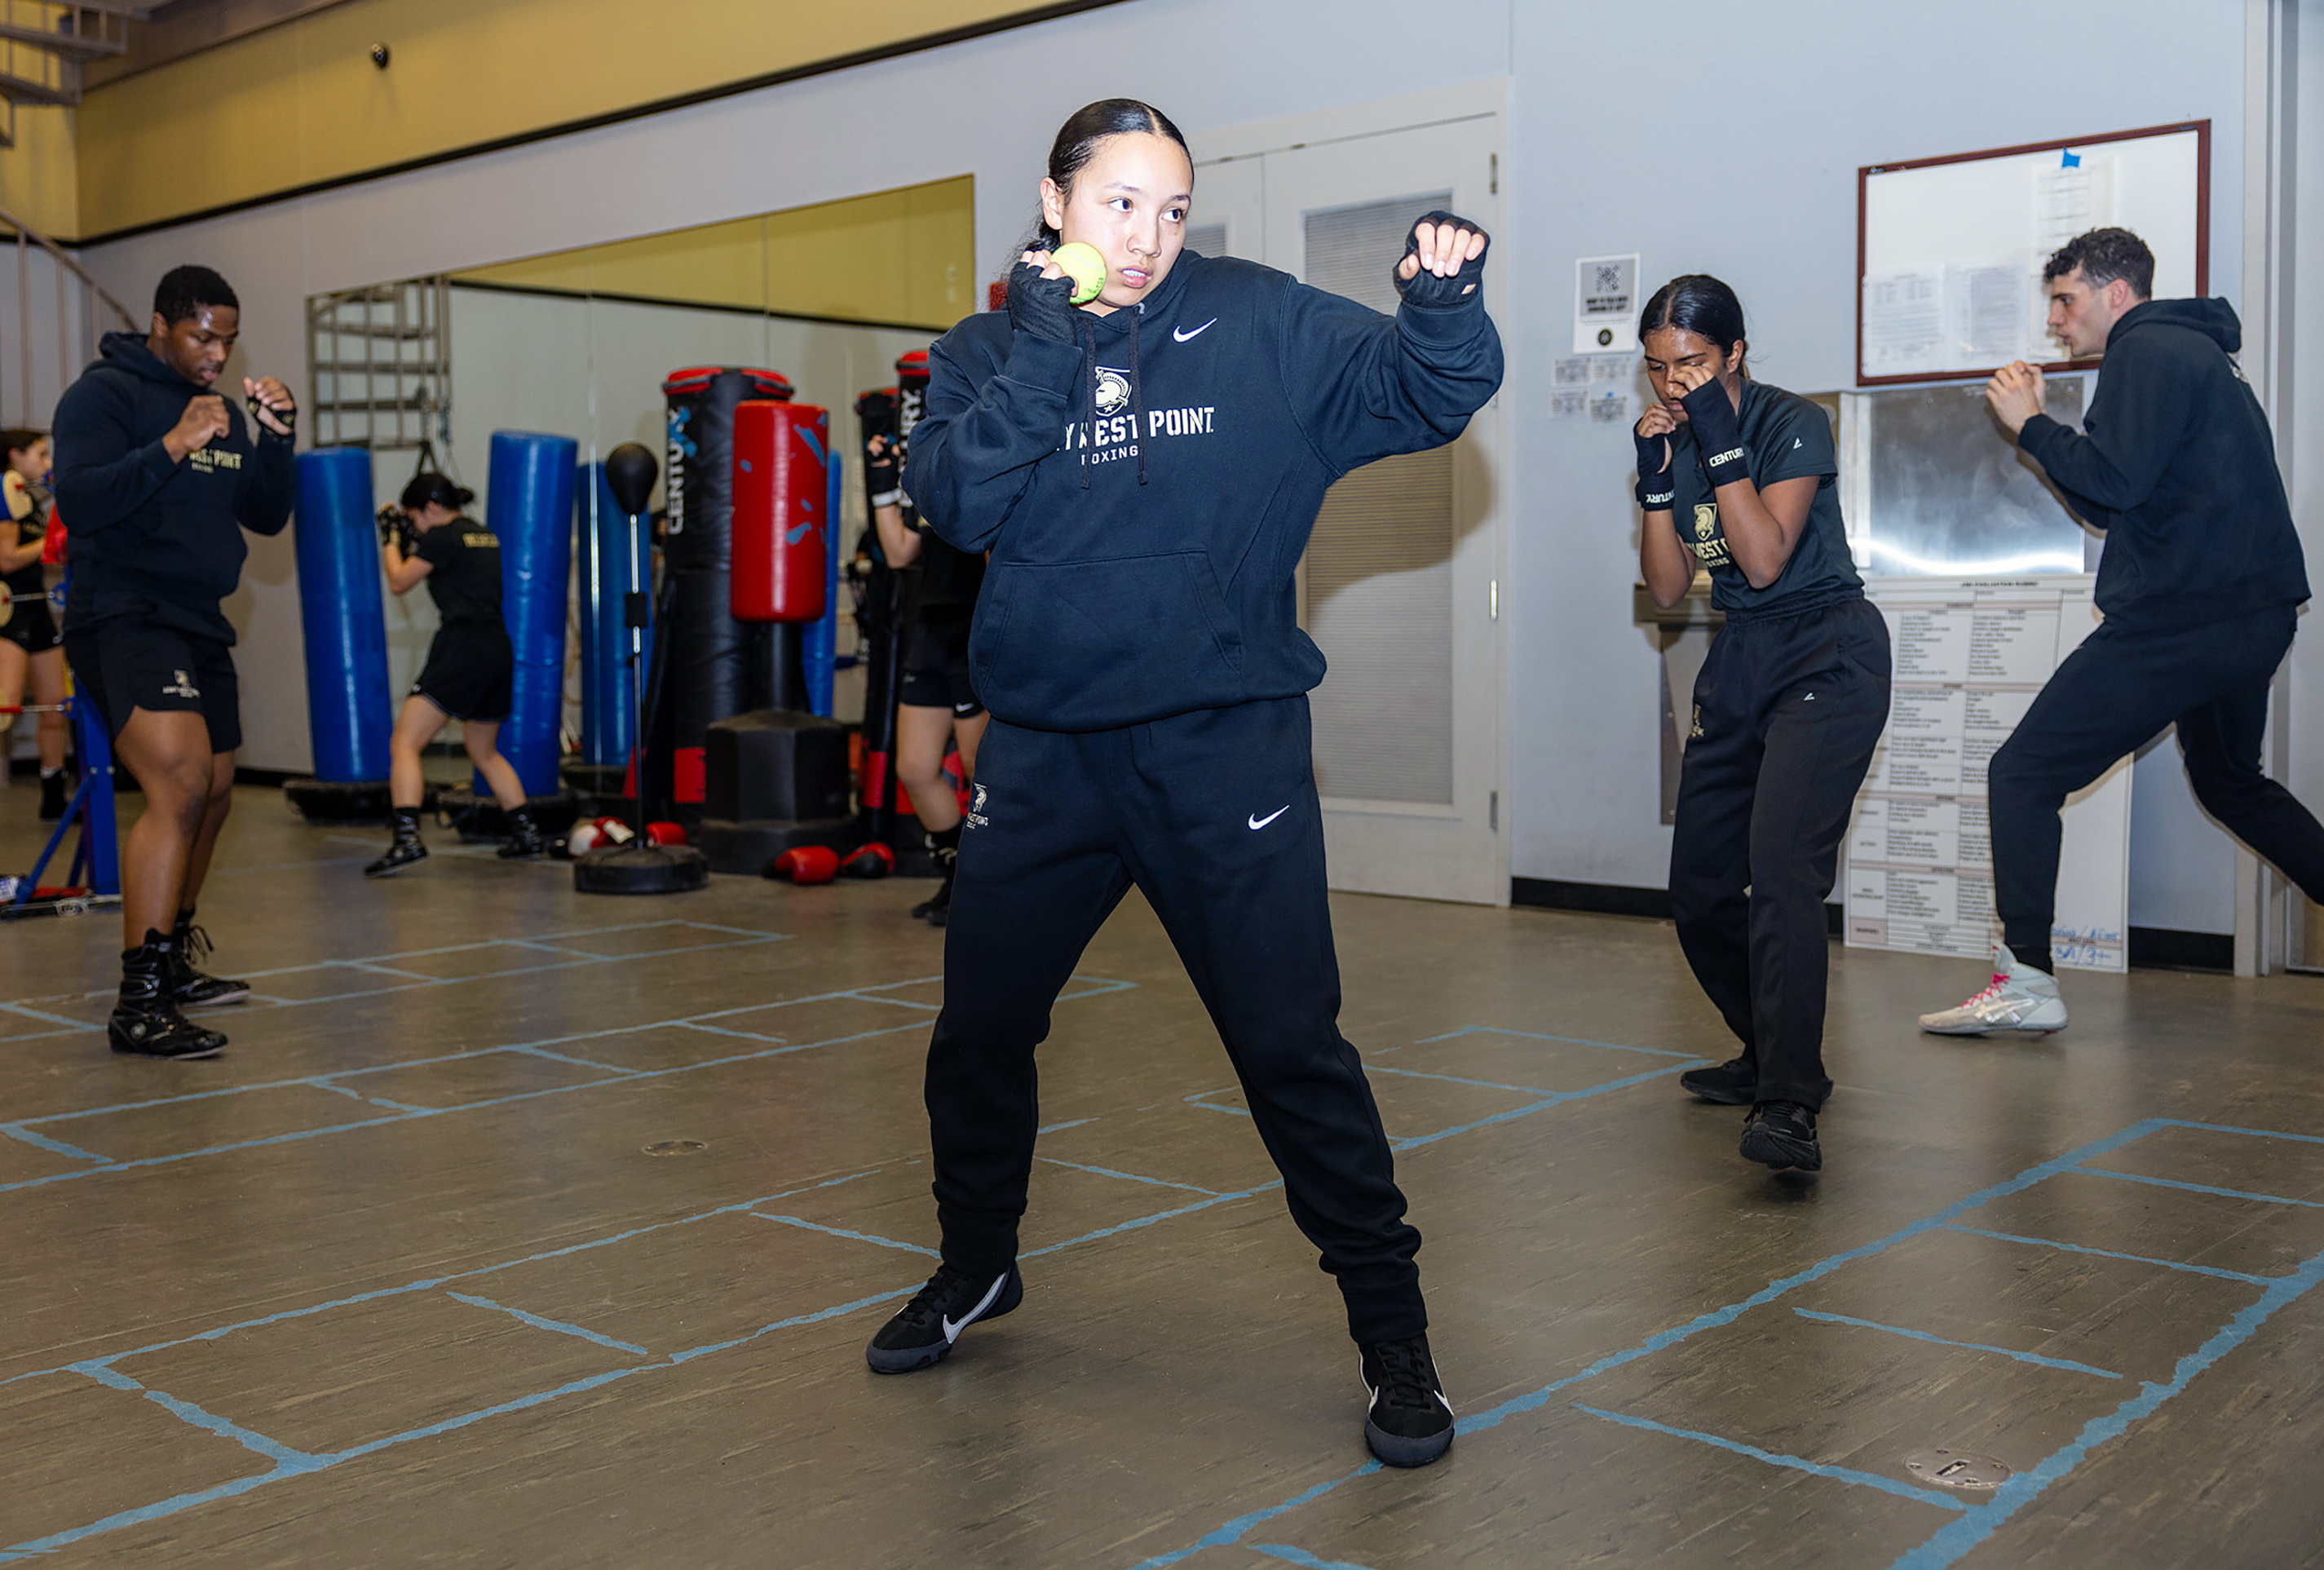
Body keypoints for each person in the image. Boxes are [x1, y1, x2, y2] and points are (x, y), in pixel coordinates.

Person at [866, 98, 1500, 1470]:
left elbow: (1425, 391)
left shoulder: (1261, 321)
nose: (1147, 238)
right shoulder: (987, 350)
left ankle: (1394, 1340)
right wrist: (1051, 340)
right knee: (978, 1035)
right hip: (1043, 757)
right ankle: (978, 1264)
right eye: (1117, 205)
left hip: (1226, 751)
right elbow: (958, 508)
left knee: (1289, 1050)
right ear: (1054, 204)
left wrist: (1442, 307)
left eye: (1169, 208)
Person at [1920, 228, 2324, 1035]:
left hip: (2185, 616)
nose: (2058, 323)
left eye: (2065, 302)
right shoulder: (2196, 354)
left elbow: (2112, 479)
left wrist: (2031, 423)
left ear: (2116, 293)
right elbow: (2112, 504)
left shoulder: (2143, 351)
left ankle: (2026, 982)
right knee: (2230, 783)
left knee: (2023, 773)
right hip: (2251, 616)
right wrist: (2038, 436)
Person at [1635, 275, 1892, 1174]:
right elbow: (1669, 590)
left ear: (1735, 353)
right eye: (1660, 367)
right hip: (1743, 656)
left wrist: (1715, 439)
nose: (1675, 383)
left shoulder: (1790, 423)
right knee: (1701, 887)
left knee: (1781, 873)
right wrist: (1657, 487)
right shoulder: (1678, 429)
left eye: (1694, 363)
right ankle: (1767, 1047)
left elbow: (1765, 557)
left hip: (1828, 653)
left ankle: (1789, 1099)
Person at [51, 263, 295, 1061]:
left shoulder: (222, 407)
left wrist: (275, 440)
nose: (217, 354)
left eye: (227, 338)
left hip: (199, 617)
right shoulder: (103, 395)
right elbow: (80, 501)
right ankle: (139, 1000)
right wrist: (170, 443)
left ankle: (176, 961)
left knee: (219, 788)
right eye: (202, 336)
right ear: (162, 324)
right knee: (182, 778)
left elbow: (263, 514)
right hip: (124, 609)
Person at [365, 473, 546, 875]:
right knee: (484, 750)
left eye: (415, 516)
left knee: (405, 742)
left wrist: (391, 539)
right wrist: (410, 538)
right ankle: (527, 832)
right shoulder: (484, 535)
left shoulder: (441, 537)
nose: (414, 526)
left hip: (462, 646)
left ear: (430, 508)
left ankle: (407, 839)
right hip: (497, 647)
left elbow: (398, 581)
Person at [864, 429, 985, 924]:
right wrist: (881, 485)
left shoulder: (988, 466)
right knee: (915, 769)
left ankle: (988, 889)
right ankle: (957, 879)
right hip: (931, 632)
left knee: (983, 771)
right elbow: (897, 553)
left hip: (974, 629)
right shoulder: (932, 478)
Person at [2, 430, 71, 820]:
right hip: (9, 611)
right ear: (15, 456)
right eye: (40, 455)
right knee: (6, 707)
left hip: (38, 606)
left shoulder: (31, 502)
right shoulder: (6, 497)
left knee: (56, 705)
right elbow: (6, 558)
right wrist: (53, 541)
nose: (47, 463)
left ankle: (53, 793)